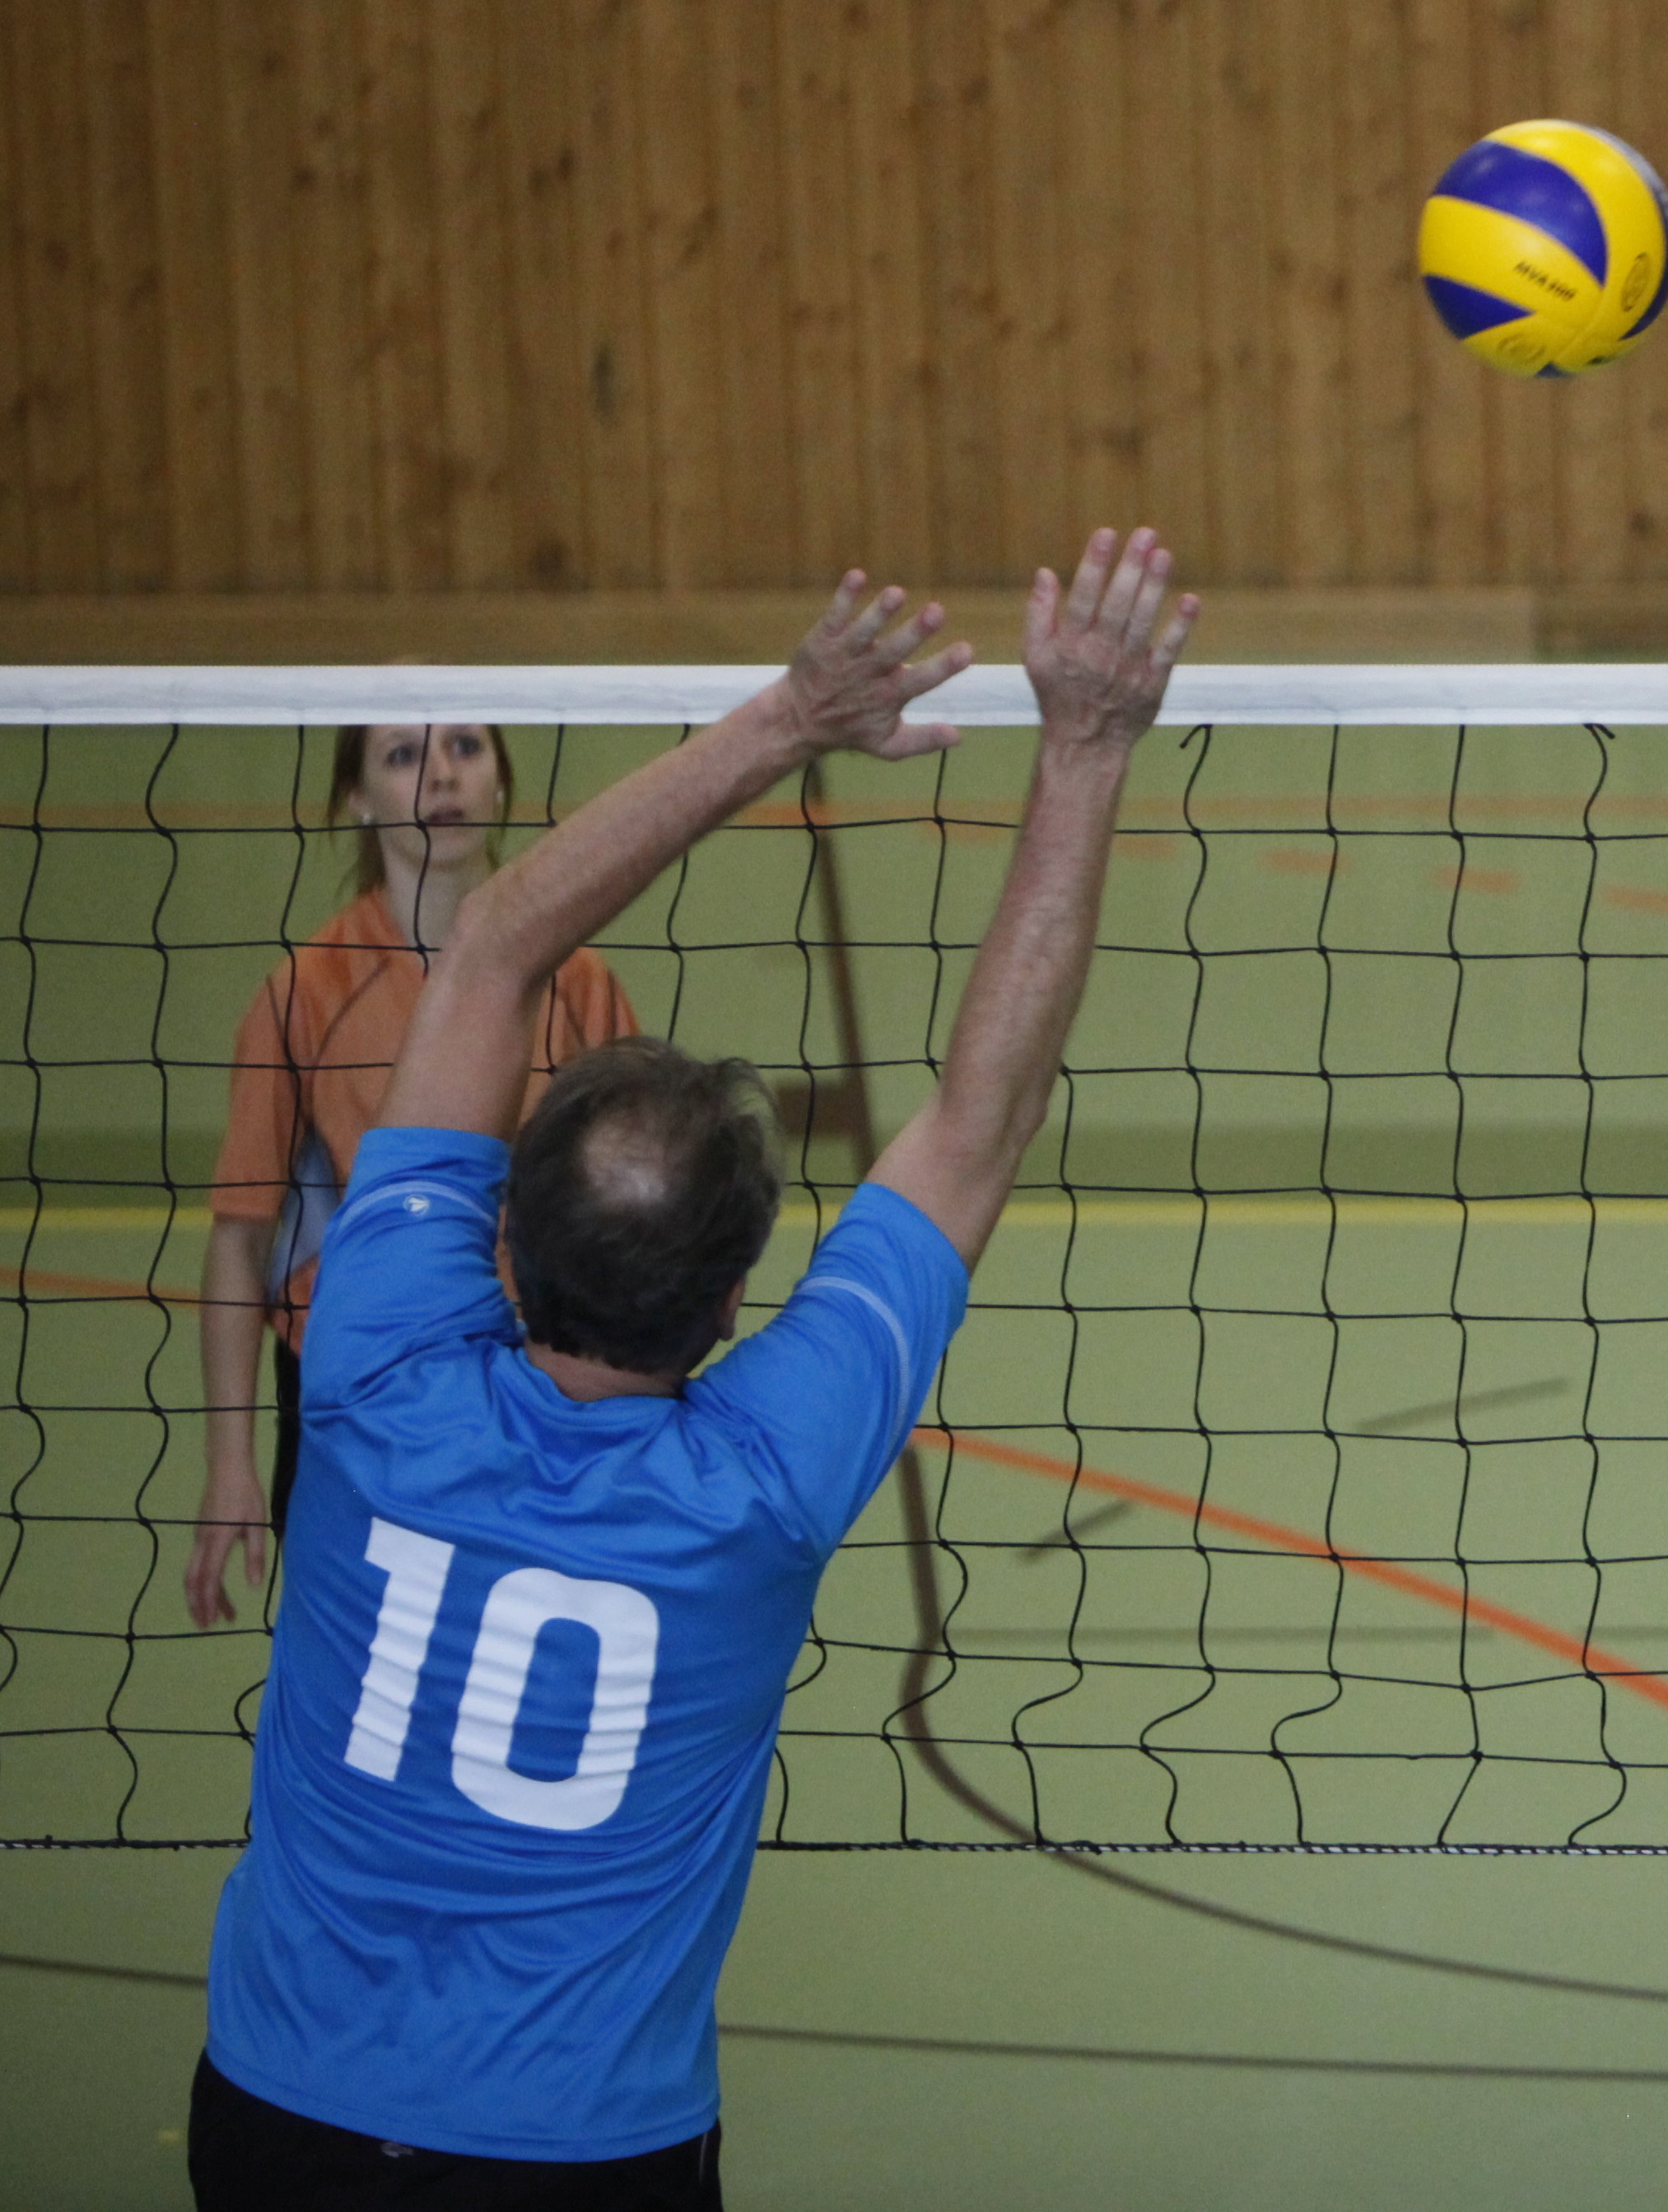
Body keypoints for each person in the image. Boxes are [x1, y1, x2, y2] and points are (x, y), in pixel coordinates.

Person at [187, 529, 1198, 2209]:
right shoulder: (761, 1484)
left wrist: (792, 713)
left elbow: (494, 944)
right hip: (586, 2153)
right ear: (734, 1301)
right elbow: (977, 1124)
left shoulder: (371, 1364)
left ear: (500, 1233)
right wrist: (1086, 745)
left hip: (279, 2116)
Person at [186, 721, 637, 1630]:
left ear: (501, 779)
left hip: (535, 1394)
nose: (441, 775)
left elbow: (628, 1226)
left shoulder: (581, 983)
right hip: (356, 1403)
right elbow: (241, 1243)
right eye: (402, 755)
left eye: (466, 746)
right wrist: (230, 1463)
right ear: (357, 798)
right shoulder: (302, 996)